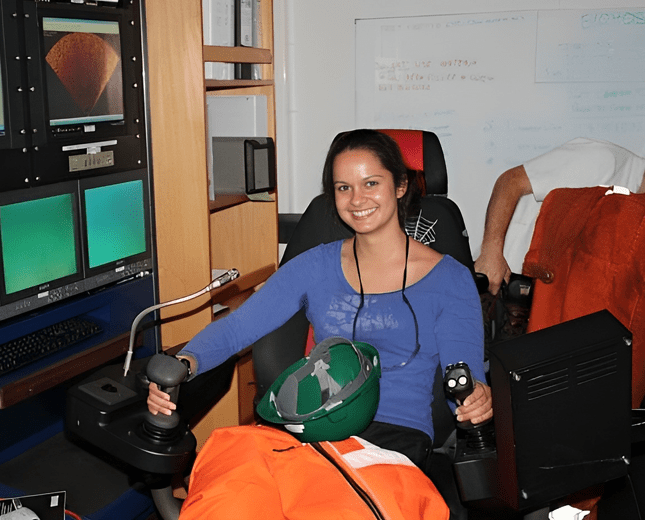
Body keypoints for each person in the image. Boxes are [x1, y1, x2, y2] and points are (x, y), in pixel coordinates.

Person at [148, 129, 492, 469]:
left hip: (394, 437)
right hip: (312, 425)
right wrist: (185, 364)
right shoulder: (317, 265)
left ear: (400, 186)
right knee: (226, 474)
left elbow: (465, 373)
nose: (357, 200)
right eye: (344, 188)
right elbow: (239, 327)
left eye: (371, 183)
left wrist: (476, 398)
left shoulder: (450, 279)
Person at [474, 137, 645, 296]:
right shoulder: (605, 161)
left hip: (542, 301)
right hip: (498, 283)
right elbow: (510, 181)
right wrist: (491, 252)